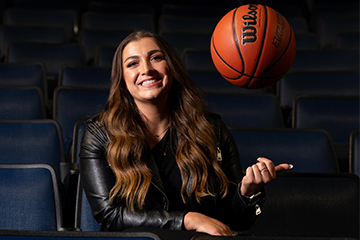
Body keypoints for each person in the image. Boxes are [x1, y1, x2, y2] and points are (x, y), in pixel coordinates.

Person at [79, 30, 292, 237]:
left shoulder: (212, 130)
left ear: (171, 67)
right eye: (133, 63)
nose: (146, 69)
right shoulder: (100, 134)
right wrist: (187, 220)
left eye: (155, 58)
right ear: (122, 79)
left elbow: (235, 222)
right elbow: (110, 216)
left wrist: (248, 191)